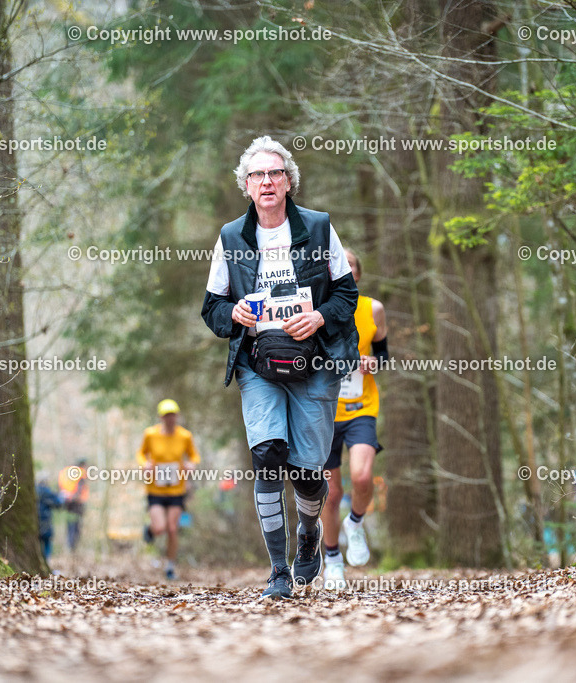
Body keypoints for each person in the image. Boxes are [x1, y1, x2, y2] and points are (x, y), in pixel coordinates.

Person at [201, 135, 359, 600]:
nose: (266, 182)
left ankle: (310, 534)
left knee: (308, 471)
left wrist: (319, 316)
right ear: (246, 186)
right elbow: (211, 307)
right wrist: (232, 315)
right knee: (267, 454)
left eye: (275, 173)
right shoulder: (231, 237)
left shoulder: (318, 227)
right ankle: (277, 571)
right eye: (257, 175)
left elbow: (346, 295)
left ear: (288, 181)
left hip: (314, 363)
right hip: (258, 364)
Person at [321, 250, 388, 589]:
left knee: (362, 478)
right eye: (338, 262)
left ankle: (356, 523)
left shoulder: (373, 309)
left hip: (362, 406)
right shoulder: (315, 308)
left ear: (358, 274)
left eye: (351, 264)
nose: (345, 268)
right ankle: (332, 560)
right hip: (323, 411)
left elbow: (383, 353)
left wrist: (375, 363)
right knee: (331, 494)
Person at [137, 398, 201, 580]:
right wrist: (145, 464)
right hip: (155, 489)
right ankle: (149, 530)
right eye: (166, 415)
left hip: (176, 489)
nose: (170, 419)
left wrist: (191, 464)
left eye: (172, 415)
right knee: (160, 528)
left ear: (177, 416)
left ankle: (170, 566)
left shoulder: (185, 436)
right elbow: (141, 454)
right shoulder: (150, 434)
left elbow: (194, 456)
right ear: (160, 417)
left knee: (172, 529)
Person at [57, 458, 89, 551]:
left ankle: (69, 547)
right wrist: (76, 497)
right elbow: (79, 491)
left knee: (70, 526)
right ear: (82, 465)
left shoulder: (66, 472)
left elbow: (60, 486)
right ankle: (72, 548)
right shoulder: (80, 474)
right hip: (77, 504)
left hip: (67, 503)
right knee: (75, 528)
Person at [36, 472, 62, 563]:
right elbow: (59, 503)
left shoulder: (34, 490)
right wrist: (60, 494)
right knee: (47, 540)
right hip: (45, 520)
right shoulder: (47, 492)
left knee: (39, 541)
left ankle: (42, 561)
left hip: (35, 520)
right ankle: (46, 561)